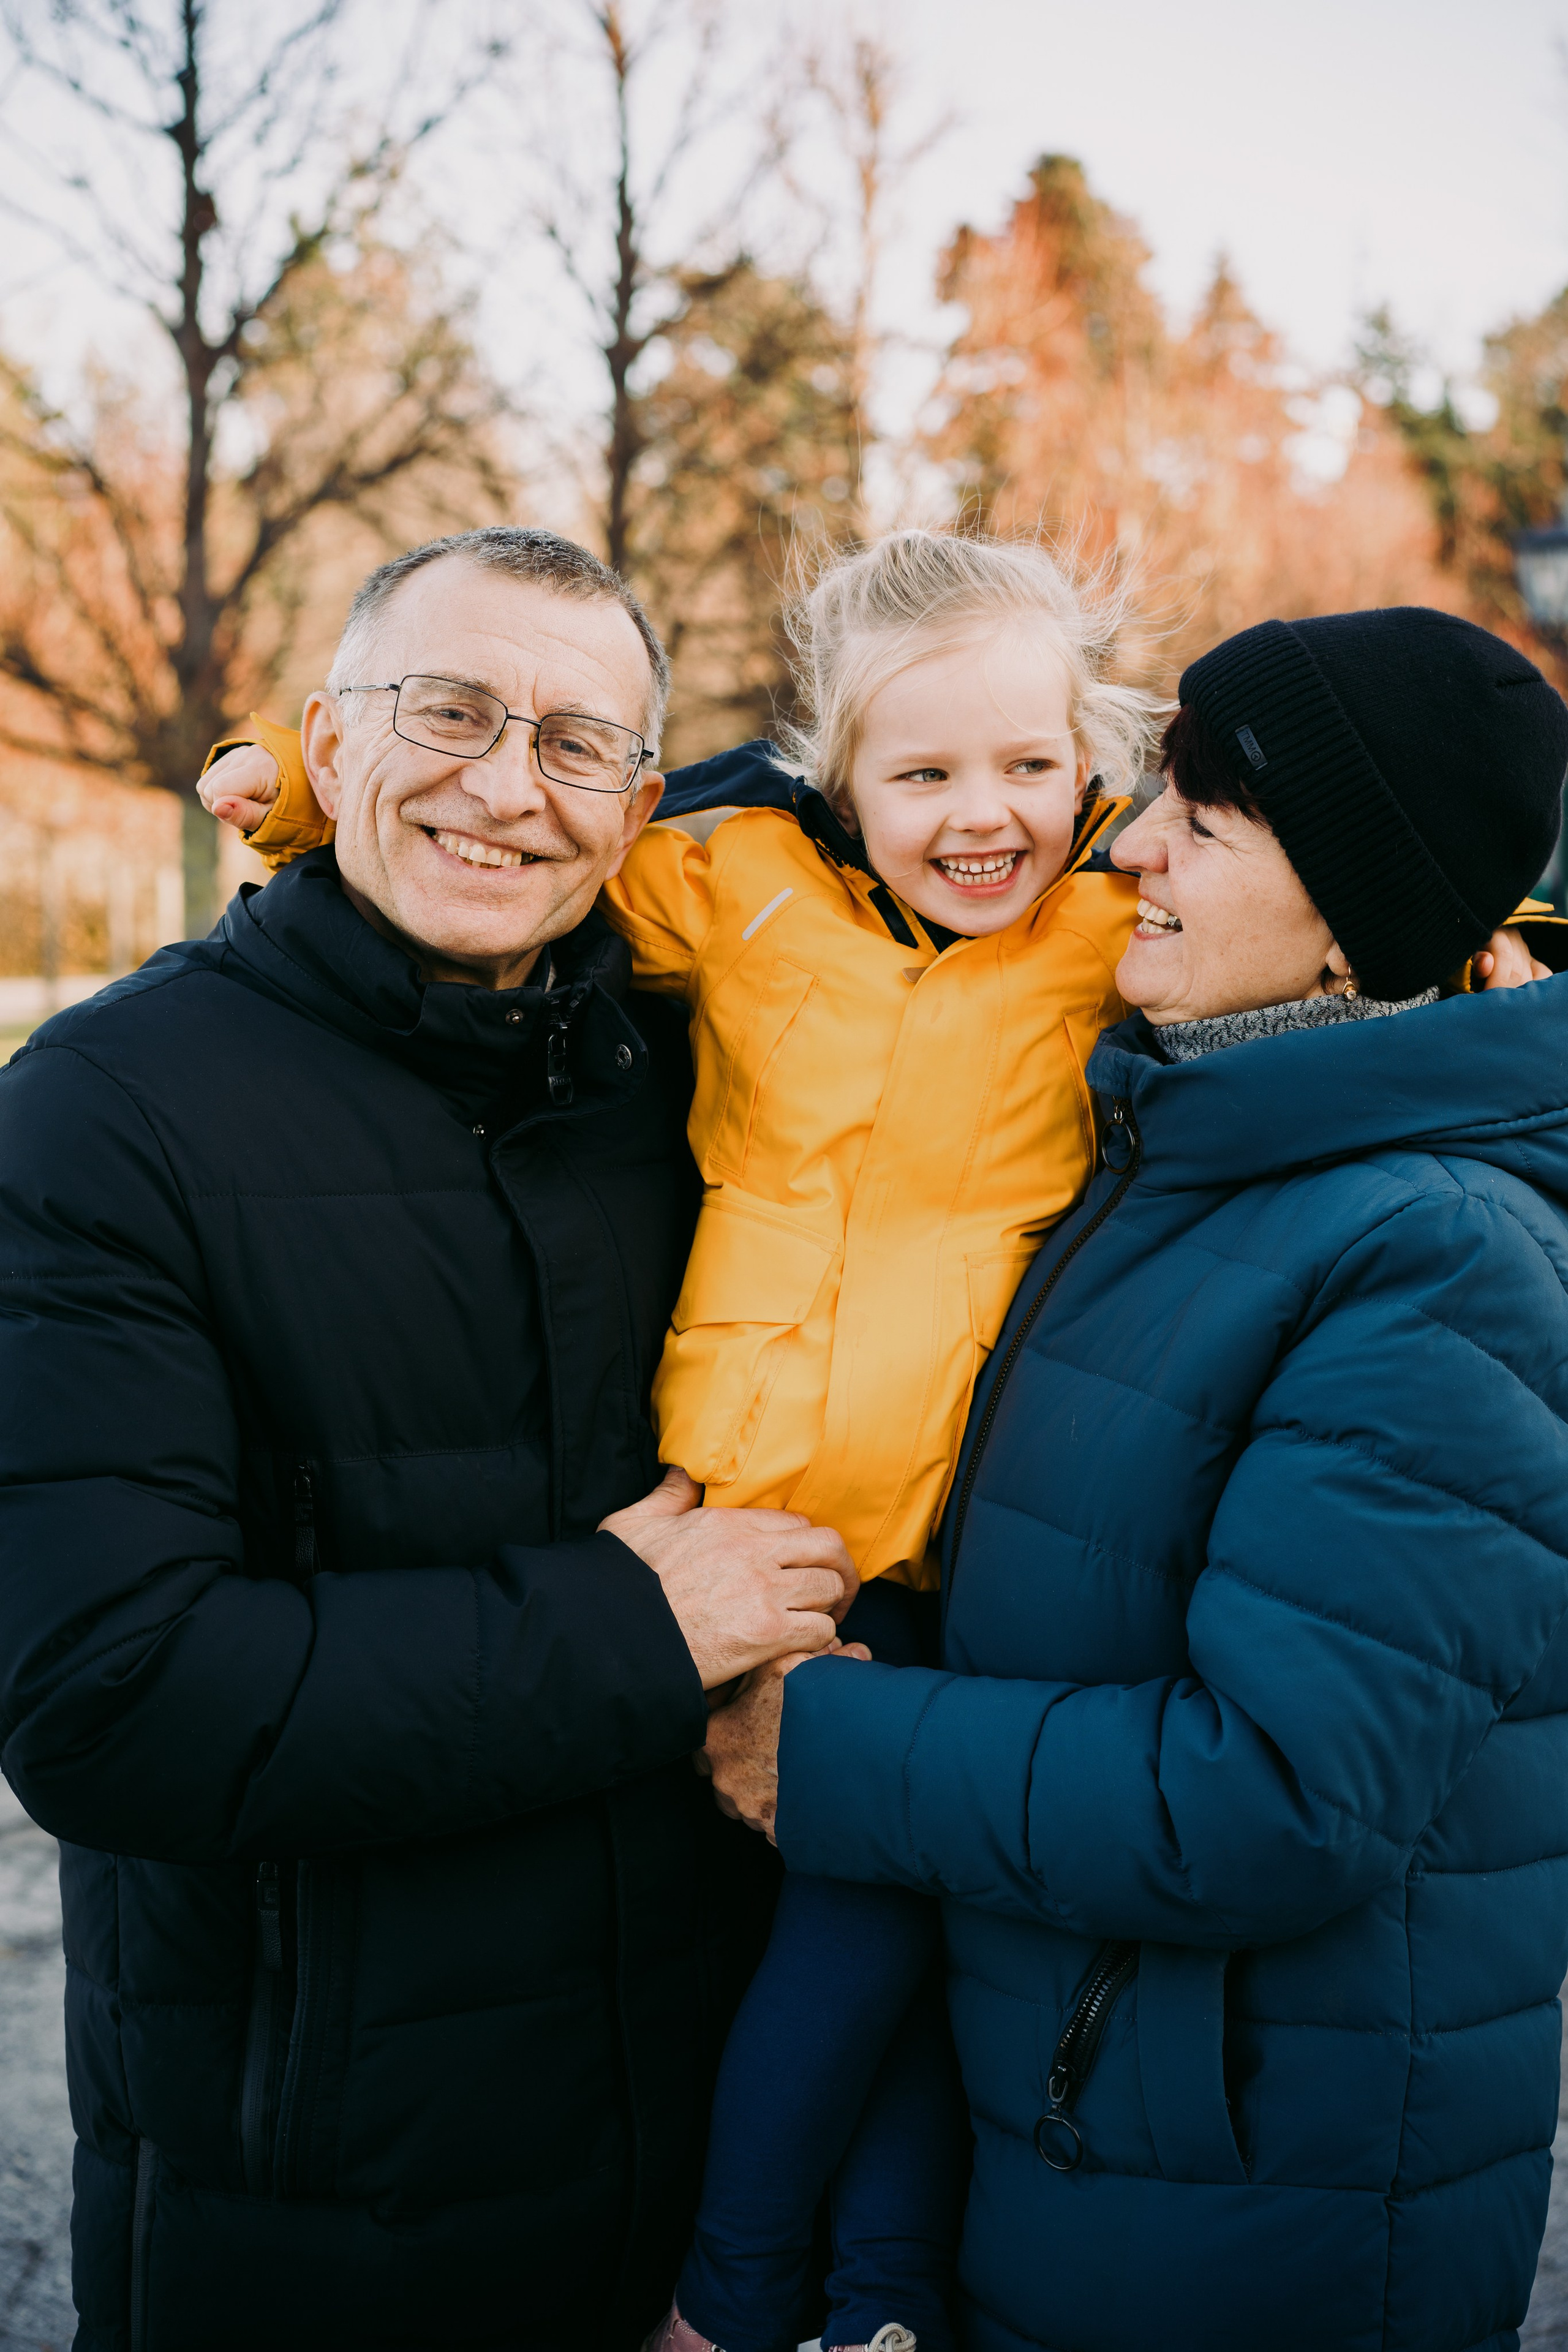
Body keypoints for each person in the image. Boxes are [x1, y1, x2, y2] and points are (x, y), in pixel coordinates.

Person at [201, 528, 1164, 2352]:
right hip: (738, 1513)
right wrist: (285, 794)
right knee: (840, 1928)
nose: (987, 815)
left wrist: (1495, 949)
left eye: (1033, 767)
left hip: (946, 1531)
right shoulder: (738, 888)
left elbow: (1294, 908)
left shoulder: (1102, 937)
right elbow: (503, 824)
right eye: (929, 771)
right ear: (836, 775)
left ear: (1091, 763)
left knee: (878, 1929)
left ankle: (777, 2304)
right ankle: (813, 2299)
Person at [0, 525, 859, 2352]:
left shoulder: (691, 1078)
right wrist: (638, 1629)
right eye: (447, 710)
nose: (504, 788)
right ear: (324, 743)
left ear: (639, 812)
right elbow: (105, 1698)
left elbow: (954, 821)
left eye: (573, 747)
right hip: (317, 2226)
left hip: (692, 2205)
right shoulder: (106, 1113)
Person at [707, 606, 1568, 2352]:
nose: (1133, 841)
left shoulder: (1437, 1260)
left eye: (1204, 816)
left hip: (1243, 2226)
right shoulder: (1195, 1144)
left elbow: (1277, 1797)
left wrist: (826, 1752)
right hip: (1096, 2142)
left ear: (1354, 924)